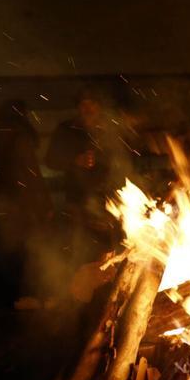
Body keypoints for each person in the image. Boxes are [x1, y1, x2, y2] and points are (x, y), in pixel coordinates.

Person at [0, 100, 54, 300]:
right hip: (26, 205)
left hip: (5, 202)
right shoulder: (20, 138)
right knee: (31, 250)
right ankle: (27, 296)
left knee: (12, 248)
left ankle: (13, 296)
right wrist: (46, 204)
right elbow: (32, 175)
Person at [46, 90, 117, 258]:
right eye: (84, 104)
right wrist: (74, 160)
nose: (88, 109)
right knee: (78, 247)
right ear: (78, 108)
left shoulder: (108, 130)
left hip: (106, 201)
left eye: (92, 104)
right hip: (76, 201)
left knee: (105, 249)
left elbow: (121, 161)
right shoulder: (66, 130)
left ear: (99, 107)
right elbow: (50, 160)